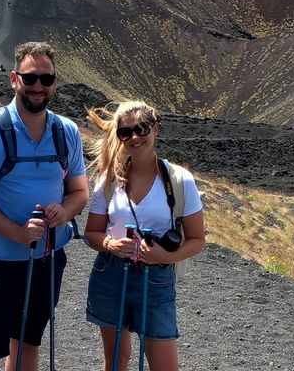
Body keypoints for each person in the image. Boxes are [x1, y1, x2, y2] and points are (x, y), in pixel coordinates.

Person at [0, 42, 89, 371]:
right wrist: (17, 233)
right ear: (14, 79)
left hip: (47, 260)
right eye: (30, 78)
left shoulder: (67, 132)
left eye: (46, 80)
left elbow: (78, 192)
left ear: (55, 83)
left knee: (28, 346)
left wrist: (65, 211)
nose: (38, 87)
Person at [83, 101, 205, 371]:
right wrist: (110, 244)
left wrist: (165, 255)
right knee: (116, 361)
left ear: (156, 128)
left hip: (157, 279)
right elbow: (91, 233)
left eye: (142, 129)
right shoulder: (108, 179)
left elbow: (197, 240)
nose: (135, 137)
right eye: (125, 132)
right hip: (111, 275)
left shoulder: (180, 180)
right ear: (119, 137)